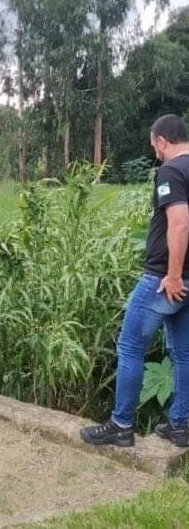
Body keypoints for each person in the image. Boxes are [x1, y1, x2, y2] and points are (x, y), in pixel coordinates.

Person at [82, 114, 189, 448]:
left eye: (153, 143)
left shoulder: (170, 171)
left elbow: (180, 223)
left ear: (160, 140)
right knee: (185, 355)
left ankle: (121, 425)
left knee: (130, 348)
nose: (154, 150)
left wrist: (171, 275)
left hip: (163, 279)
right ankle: (181, 425)